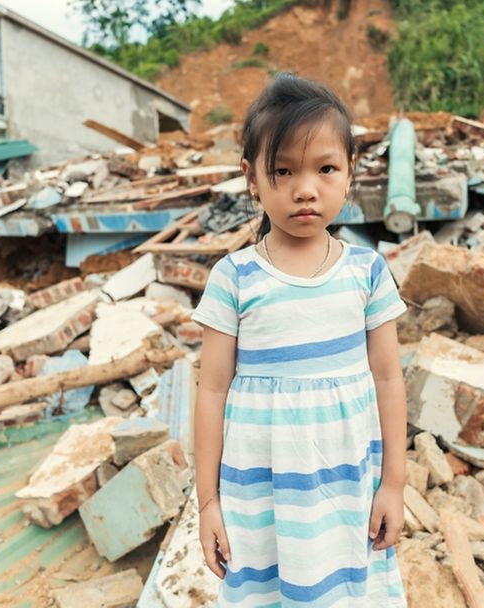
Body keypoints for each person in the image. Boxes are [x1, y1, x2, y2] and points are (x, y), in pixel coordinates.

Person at [191, 73, 409, 607]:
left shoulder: (366, 271)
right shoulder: (235, 277)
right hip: (261, 494)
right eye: (282, 170)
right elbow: (213, 390)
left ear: (350, 172)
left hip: (345, 490)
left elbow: (387, 376)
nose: (305, 188)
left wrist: (394, 486)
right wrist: (207, 503)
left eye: (326, 169)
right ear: (252, 178)